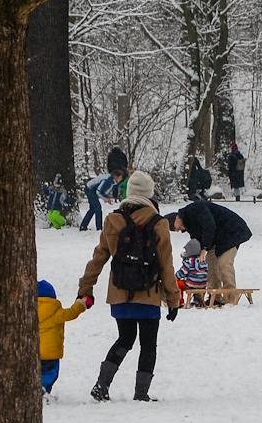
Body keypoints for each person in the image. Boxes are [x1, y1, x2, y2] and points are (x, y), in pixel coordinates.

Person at [77, 169, 180, 401]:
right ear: (150, 194)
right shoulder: (159, 223)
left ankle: (102, 385)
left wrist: (85, 289)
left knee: (124, 338)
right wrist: (173, 300)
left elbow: (98, 258)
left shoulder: (113, 220)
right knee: (148, 344)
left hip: (120, 295)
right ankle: (141, 393)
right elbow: (166, 265)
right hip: (149, 294)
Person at [167, 196, 252, 294]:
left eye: (174, 228)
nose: (177, 230)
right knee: (210, 264)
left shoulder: (196, 209)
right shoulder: (189, 225)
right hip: (217, 239)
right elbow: (197, 242)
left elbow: (209, 226)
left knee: (224, 263)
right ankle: (214, 296)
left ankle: (230, 297)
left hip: (232, 232)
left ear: (177, 217)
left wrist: (204, 248)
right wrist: (190, 259)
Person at [35, 280, 86, 396]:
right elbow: (71, 313)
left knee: (36, 373)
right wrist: (80, 304)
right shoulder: (55, 312)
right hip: (50, 353)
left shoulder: (27, 312)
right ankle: (42, 391)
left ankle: (37, 390)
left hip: (33, 352)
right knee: (50, 373)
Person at [82, 167, 123, 231]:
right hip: (90, 189)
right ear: (116, 176)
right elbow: (98, 191)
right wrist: (106, 199)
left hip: (91, 189)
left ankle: (83, 226)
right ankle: (99, 228)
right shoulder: (108, 181)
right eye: (120, 177)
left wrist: (108, 198)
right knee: (98, 208)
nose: (121, 179)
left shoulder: (112, 181)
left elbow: (104, 192)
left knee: (92, 209)